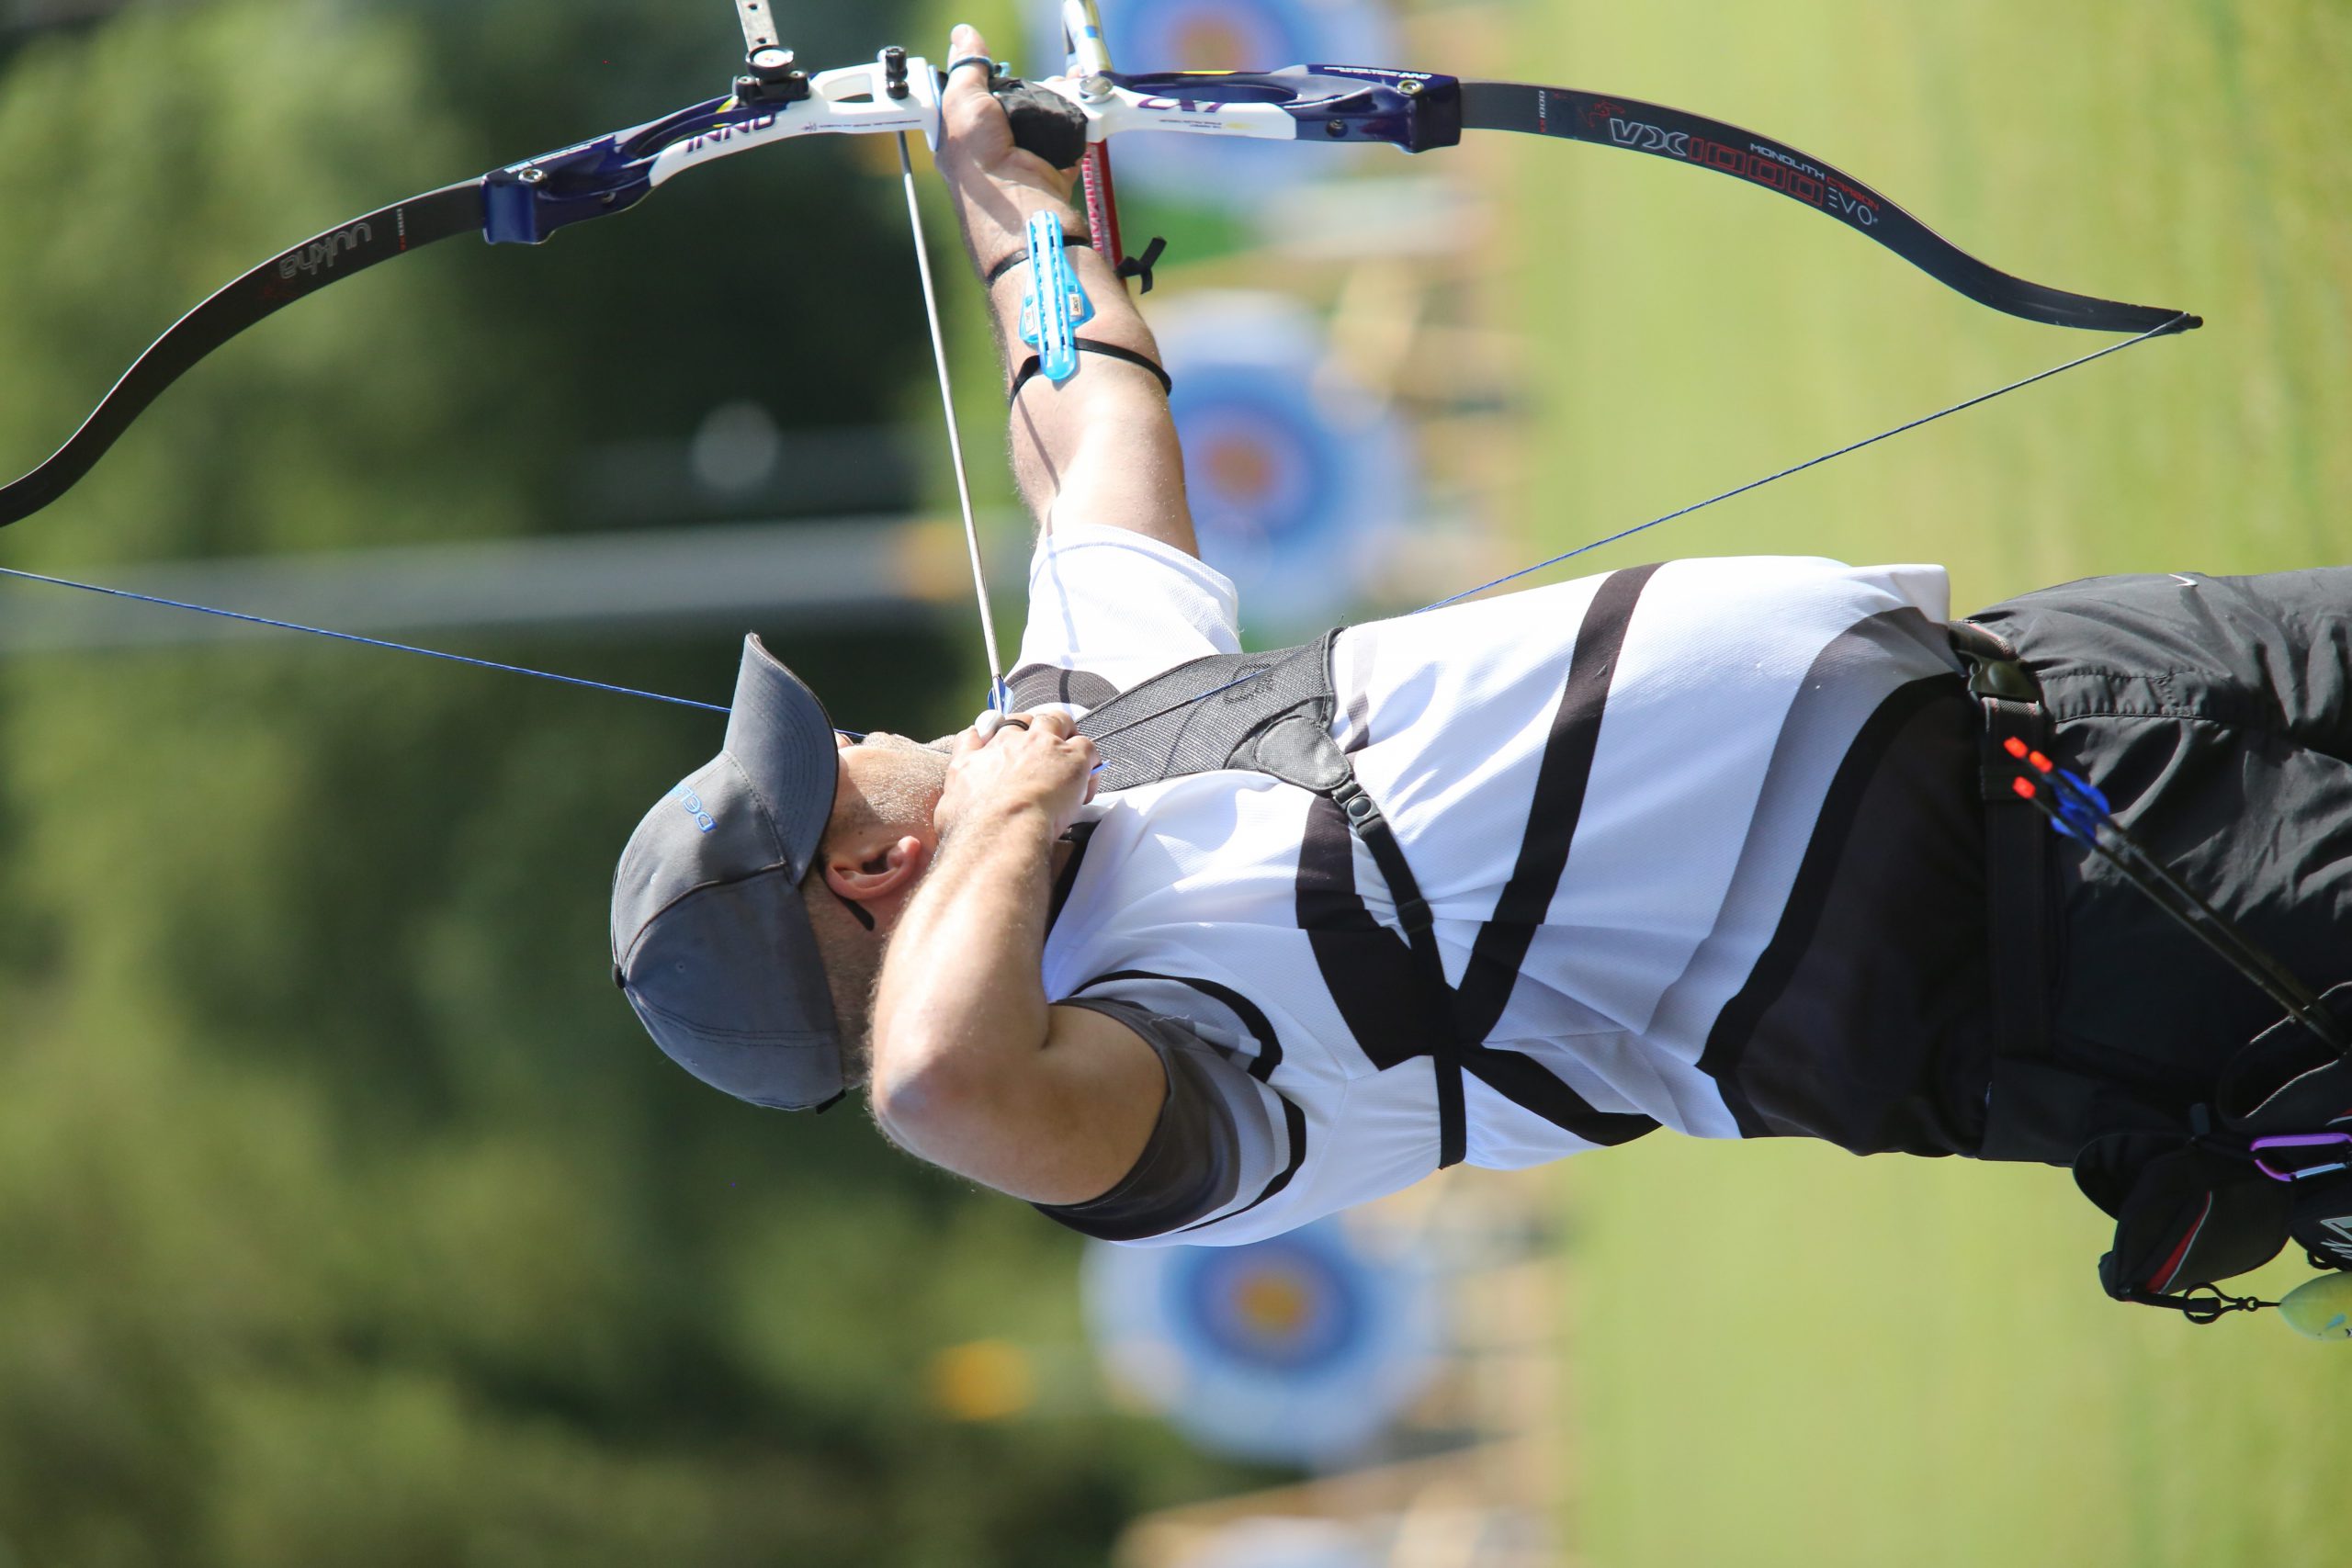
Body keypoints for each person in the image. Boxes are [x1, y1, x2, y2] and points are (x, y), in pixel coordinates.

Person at [610, 27, 2352, 1261]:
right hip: (2068, 933)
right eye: (828, 773)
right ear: (870, 868)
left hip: (2053, 684)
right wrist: (1006, 813)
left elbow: (1090, 430)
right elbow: (938, 1080)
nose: (858, 737)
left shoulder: (1076, 732)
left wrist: (1015, 216)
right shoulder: (1143, 1068)